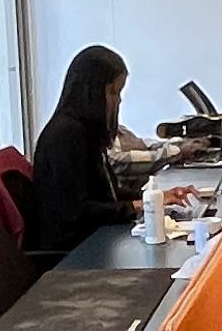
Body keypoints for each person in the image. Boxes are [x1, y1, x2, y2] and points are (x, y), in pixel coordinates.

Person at [24, 44, 142, 257]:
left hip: (93, 241)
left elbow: (105, 193)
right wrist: (134, 206)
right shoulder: (66, 136)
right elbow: (76, 212)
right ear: (92, 92)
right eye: (114, 92)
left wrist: (152, 198)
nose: (119, 100)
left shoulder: (84, 131)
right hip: (73, 251)